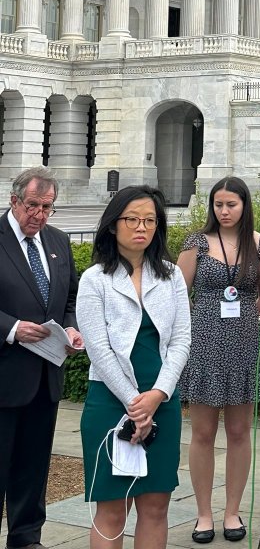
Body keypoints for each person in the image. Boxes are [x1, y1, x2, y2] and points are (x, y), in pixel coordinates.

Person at [76, 186, 191, 549]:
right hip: (110, 401)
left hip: (162, 400)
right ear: (113, 225)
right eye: (132, 219)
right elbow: (98, 348)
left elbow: (181, 341)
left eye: (150, 220)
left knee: (156, 506)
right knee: (112, 508)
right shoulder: (95, 279)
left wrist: (156, 396)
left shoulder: (171, 276)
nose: (141, 227)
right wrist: (133, 402)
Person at [177, 177, 260, 544]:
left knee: (239, 432)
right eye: (218, 204)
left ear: (244, 205)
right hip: (204, 341)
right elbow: (176, 293)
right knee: (202, 433)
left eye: (231, 204)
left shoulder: (259, 243)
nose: (224, 211)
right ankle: (204, 513)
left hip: (244, 341)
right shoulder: (197, 243)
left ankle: (232, 512)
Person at [0, 166, 83, 549]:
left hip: (45, 376)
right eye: (32, 206)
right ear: (14, 200)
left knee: (33, 467)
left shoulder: (58, 241)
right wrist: (13, 329)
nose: (39, 215)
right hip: (4, 374)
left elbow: (69, 298)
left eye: (47, 207)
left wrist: (70, 327)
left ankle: (27, 537)